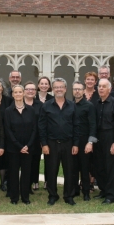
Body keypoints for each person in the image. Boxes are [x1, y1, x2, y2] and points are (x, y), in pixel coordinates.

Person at [39, 78, 79, 206]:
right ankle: (53, 195)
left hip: (68, 143)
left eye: (61, 87)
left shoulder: (72, 106)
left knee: (70, 171)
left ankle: (69, 196)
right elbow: (42, 126)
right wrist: (44, 144)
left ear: (65, 89)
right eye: (56, 87)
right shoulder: (46, 106)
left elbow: (77, 126)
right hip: (51, 144)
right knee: (51, 171)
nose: (59, 89)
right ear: (53, 89)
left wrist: (76, 144)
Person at [5, 85, 37, 204]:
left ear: (23, 93)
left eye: (20, 92)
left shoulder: (31, 110)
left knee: (26, 173)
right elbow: (8, 130)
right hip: (13, 148)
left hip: (28, 148)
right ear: (12, 94)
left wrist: (28, 145)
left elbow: (34, 129)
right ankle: (14, 198)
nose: (18, 94)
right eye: (15, 92)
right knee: (13, 173)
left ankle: (25, 197)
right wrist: (19, 146)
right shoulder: (8, 111)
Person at [93, 78, 114, 204]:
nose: (100, 88)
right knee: (99, 165)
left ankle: (111, 195)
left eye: (103, 86)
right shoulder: (96, 103)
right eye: (99, 86)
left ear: (110, 89)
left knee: (110, 166)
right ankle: (103, 190)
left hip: (110, 136)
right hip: (97, 137)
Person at [72, 81, 97, 201]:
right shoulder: (70, 105)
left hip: (85, 141)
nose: (77, 91)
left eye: (79, 89)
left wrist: (90, 142)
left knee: (85, 167)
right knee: (73, 166)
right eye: (75, 89)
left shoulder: (89, 106)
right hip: (72, 141)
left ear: (83, 91)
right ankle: (75, 190)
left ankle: (86, 191)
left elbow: (93, 126)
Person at [24, 81, 44, 191]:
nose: (30, 91)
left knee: (34, 161)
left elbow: (42, 122)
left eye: (33, 89)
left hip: (36, 138)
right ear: (24, 91)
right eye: (28, 89)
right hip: (22, 138)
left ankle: (33, 182)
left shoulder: (40, 105)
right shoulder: (18, 103)